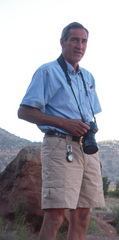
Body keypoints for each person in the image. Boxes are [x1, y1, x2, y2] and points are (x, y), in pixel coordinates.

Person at [18, 22, 105, 240]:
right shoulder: (47, 71)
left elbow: (89, 113)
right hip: (59, 145)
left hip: (86, 148)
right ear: (62, 41)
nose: (80, 45)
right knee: (56, 217)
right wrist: (64, 123)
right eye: (74, 39)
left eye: (84, 41)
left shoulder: (88, 77)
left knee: (83, 216)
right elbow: (24, 112)